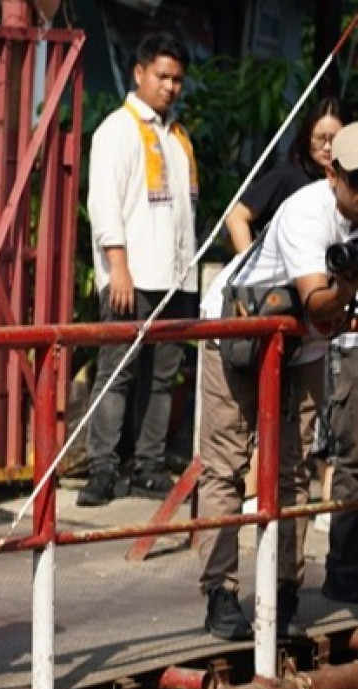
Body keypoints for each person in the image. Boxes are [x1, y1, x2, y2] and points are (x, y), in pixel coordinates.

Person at [194, 122, 358, 641]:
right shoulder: (309, 212)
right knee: (226, 465)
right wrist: (351, 279)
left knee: (294, 470)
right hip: (238, 332)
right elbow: (318, 299)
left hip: (302, 344)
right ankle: (221, 591)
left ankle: (284, 588)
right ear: (335, 173)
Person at [78, 32, 198, 507]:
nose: (170, 87)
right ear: (140, 73)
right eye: (162, 76)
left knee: (164, 375)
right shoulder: (118, 129)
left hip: (174, 275)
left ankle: (149, 465)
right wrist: (117, 266)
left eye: (177, 79)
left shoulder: (177, 135)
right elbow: (104, 203)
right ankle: (103, 468)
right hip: (131, 271)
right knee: (117, 373)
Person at [225, 98, 347, 253]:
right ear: (307, 137)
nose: (328, 147)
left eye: (335, 139)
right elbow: (236, 217)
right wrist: (250, 268)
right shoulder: (288, 176)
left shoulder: (349, 183)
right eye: (320, 139)